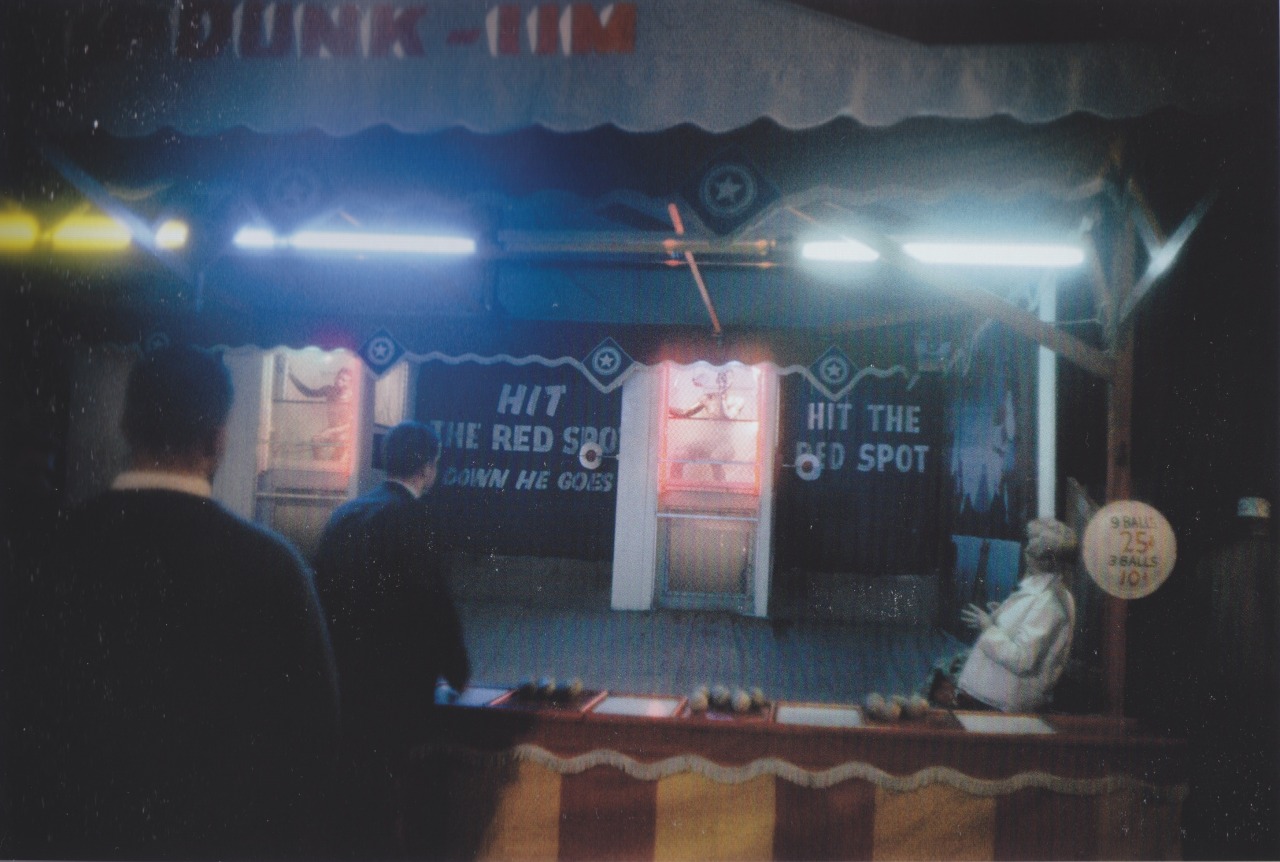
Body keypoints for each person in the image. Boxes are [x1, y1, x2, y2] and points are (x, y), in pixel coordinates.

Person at [8, 344, 340, 860]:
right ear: (218, 439)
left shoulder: (48, 556)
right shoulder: (272, 568)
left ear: (127, 429)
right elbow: (313, 744)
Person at [313, 420, 471, 858]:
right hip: (394, 686)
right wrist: (456, 670)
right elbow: (432, 602)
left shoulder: (347, 513)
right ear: (426, 467)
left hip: (344, 677)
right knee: (391, 795)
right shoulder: (413, 519)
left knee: (354, 790)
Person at [949, 517, 1078, 713]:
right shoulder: (1043, 589)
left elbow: (1022, 660)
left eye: (1032, 551)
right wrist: (1001, 615)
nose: (1026, 553)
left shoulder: (1050, 603)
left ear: (1048, 560)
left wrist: (987, 627)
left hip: (999, 704)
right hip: (992, 698)